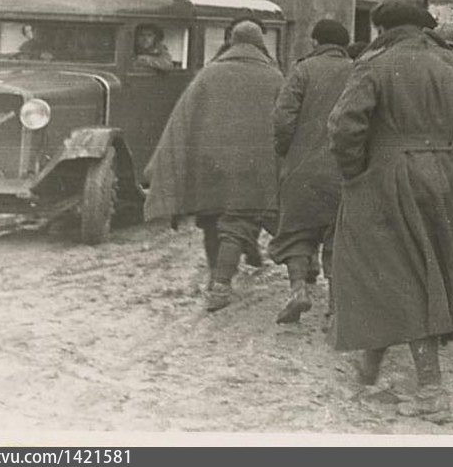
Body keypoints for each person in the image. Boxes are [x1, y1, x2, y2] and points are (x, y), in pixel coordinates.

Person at [327, 1, 453, 422]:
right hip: (448, 174)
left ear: (383, 29)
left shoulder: (374, 65)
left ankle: (431, 390)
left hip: (392, 175)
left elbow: (343, 127)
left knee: (399, 271)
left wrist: (356, 172)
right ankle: (369, 366)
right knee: (417, 268)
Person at [143, 21, 283, 312]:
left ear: (232, 41)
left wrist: (165, 163)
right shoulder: (274, 77)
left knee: (210, 220)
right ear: (260, 43)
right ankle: (222, 282)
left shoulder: (208, 74)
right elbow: (285, 121)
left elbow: (182, 120)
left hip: (210, 163)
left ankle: (214, 276)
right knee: (239, 221)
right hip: (254, 164)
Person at [268, 18, 354, 327]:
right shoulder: (358, 70)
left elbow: (283, 119)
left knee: (296, 231)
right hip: (344, 169)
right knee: (338, 236)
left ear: (316, 42)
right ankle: (335, 308)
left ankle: (298, 290)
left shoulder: (302, 70)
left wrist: (286, 151)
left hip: (302, 167)